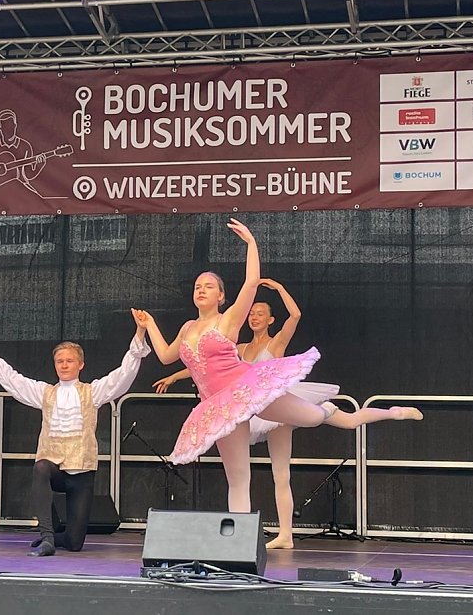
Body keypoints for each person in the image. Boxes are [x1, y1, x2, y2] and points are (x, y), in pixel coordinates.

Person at [153, 277, 423, 549]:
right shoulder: (241, 347)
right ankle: (282, 535)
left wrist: (280, 289)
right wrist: (175, 377)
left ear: (271, 320)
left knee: (330, 429)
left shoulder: (276, 343)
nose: (255, 317)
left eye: (261, 314)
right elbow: (206, 362)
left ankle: (390, 412)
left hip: (275, 405)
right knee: (266, 476)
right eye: (253, 313)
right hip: (249, 408)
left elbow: (294, 315)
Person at [133, 218, 344, 514]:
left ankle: (329, 411)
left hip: (245, 388)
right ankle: (239, 546)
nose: (201, 290)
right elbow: (167, 357)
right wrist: (150, 324)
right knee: (237, 478)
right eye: (197, 286)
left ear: (221, 295)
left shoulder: (228, 319)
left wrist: (251, 244)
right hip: (219, 406)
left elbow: (251, 282)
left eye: (209, 286)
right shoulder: (187, 327)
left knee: (312, 417)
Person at [0, 312, 150, 557]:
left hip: (81, 471)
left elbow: (123, 374)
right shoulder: (45, 393)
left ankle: (60, 536)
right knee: (40, 467)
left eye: (69, 361)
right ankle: (47, 537)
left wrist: (140, 332)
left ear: (80, 364)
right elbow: (13, 379)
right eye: (60, 361)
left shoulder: (92, 392)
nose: (64, 365)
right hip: (53, 468)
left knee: (74, 543)